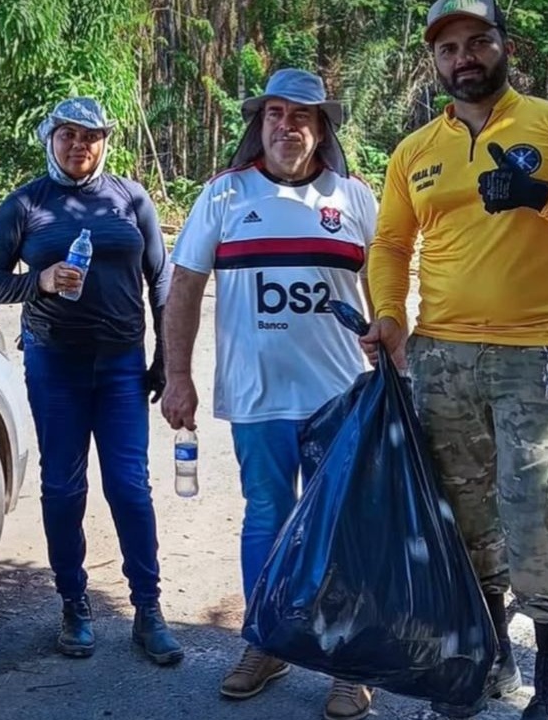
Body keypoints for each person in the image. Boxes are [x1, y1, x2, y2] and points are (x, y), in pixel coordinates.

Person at [362, 2, 548, 718]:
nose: (465, 57)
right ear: (435, 62)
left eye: (478, 41)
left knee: (541, 510)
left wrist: (540, 194)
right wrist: (390, 316)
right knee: (462, 516)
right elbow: (390, 245)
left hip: (536, 355)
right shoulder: (416, 151)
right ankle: (489, 663)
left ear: (503, 46)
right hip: (442, 355)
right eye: (449, 47)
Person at [160, 68, 377, 720]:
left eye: (303, 116)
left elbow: (387, 292)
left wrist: (397, 357)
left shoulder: (356, 199)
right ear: (259, 124)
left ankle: (349, 663)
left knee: (341, 530)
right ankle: (267, 642)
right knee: (266, 519)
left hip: (340, 397)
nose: (288, 126)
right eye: (275, 114)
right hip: (257, 398)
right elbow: (185, 290)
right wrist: (178, 376)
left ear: (323, 128)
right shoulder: (224, 197)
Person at [0, 97, 182, 665]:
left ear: (105, 142)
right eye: (68, 135)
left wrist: (167, 361)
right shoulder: (26, 203)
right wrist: (38, 281)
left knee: (129, 486)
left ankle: (149, 609)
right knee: (64, 489)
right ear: (50, 139)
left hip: (122, 365)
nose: (80, 146)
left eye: (91, 136)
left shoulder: (131, 197)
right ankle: (74, 605)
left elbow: (162, 280)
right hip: (55, 364)